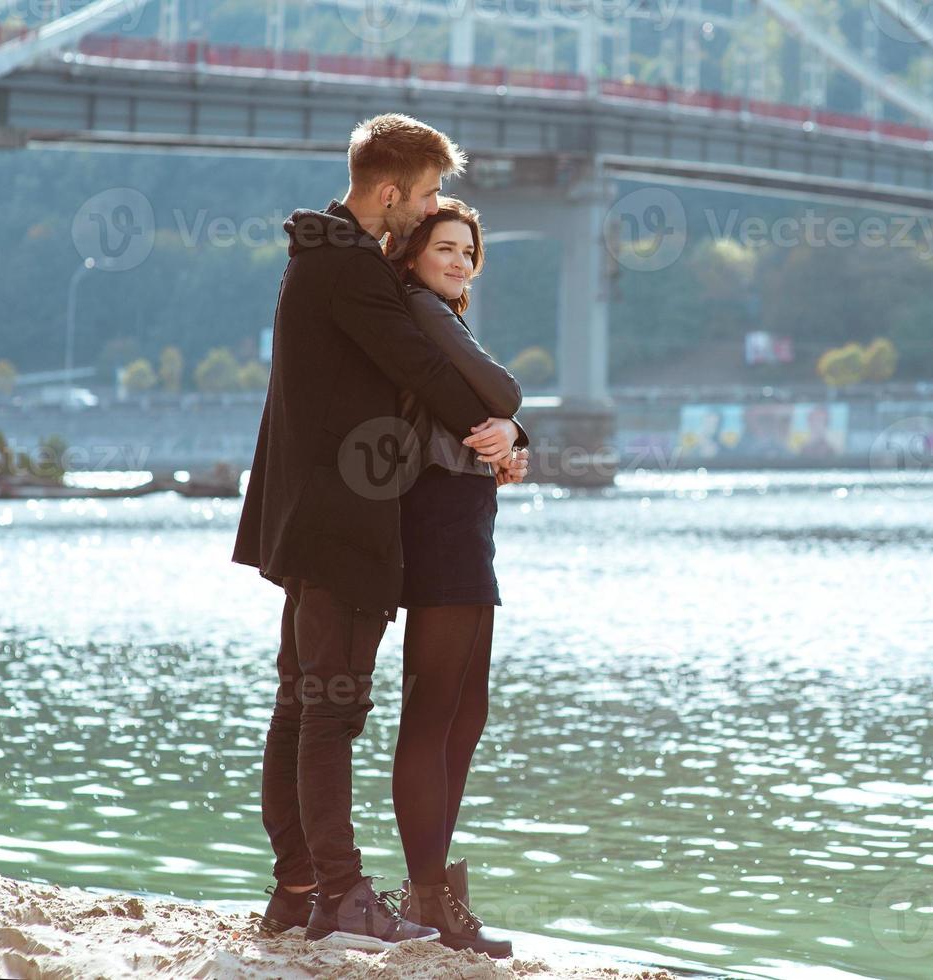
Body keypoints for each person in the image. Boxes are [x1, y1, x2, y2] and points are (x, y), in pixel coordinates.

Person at [231, 112, 519, 951]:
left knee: (302, 702)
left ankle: (296, 889)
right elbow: (424, 368)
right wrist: (501, 428)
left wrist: (507, 433)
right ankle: (342, 895)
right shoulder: (349, 268)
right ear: (389, 192)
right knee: (330, 710)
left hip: (309, 513)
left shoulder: (319, 256)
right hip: (341, 522)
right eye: (426, 194)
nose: (430, 208)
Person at [375, 196, 526, 958]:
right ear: (412, 255)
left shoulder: (443, 319)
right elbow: (500, 390)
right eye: (446, 246)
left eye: (469, 250)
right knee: (435, 712)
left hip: (466, 519)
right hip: (438, 520)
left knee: (467, 712)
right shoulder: (422, 308)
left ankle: (435, 888)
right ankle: (429, 894)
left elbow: (484, 411)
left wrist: (509, 437)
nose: (461, 260)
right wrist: (511, 419)